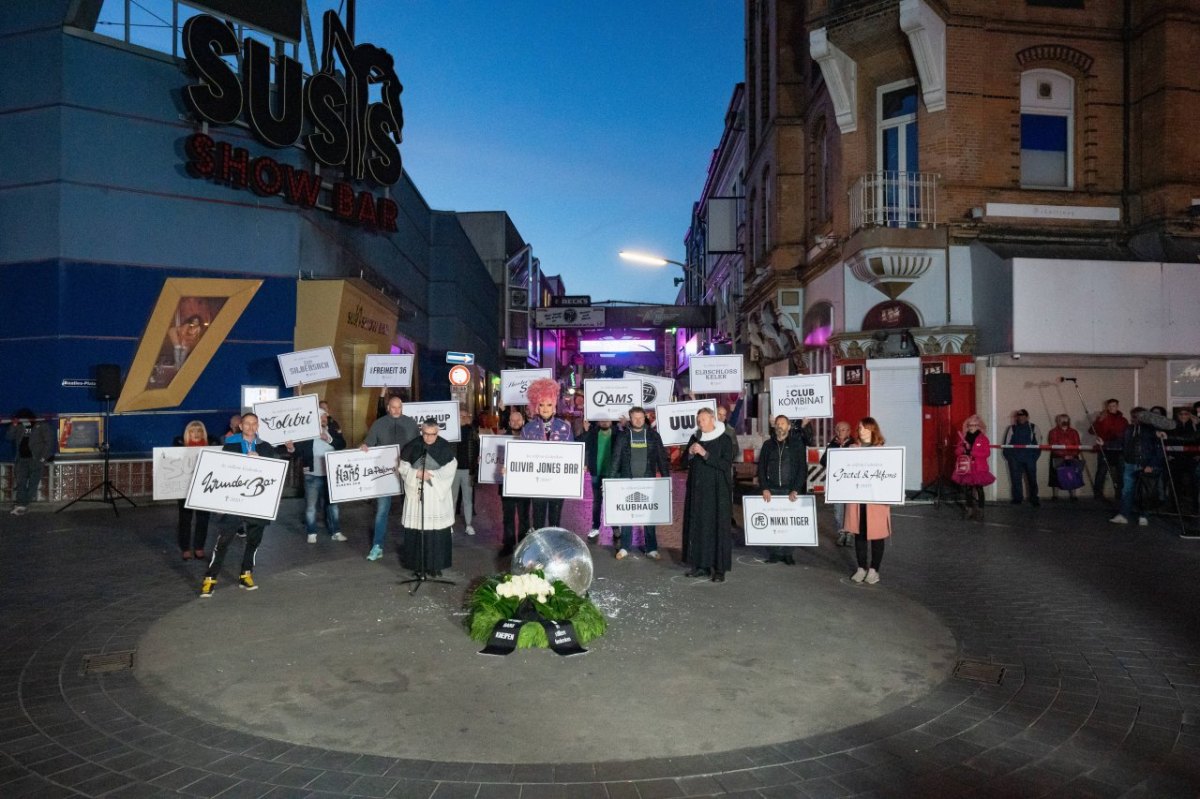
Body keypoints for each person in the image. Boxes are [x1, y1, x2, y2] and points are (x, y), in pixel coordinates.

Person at [200, 413, 281, 597]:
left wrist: (262, 459)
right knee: (223, 541)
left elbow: (275, 469)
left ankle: (246, 574)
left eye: (254, 424)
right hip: (235, 502)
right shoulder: (230, 445)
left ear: (257, 426)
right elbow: (224, 470)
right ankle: (210, 579)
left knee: (254, 540)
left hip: (257, 503)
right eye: (247, 424)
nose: (251, 427)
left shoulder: (266, 447)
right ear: (241, 426)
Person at [360, 395, 418, 561]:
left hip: (406, 473)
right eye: (393, 407)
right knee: (382, 511)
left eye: (399, 407)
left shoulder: (411, 424)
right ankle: (377, 546)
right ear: (388, 408)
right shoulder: (379, 424)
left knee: (411, 510)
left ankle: (412, 546)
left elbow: (417, 446)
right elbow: (369, 442)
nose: (396, 410)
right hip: (385, 474)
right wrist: (365, 446)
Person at [609, 406, 671, 560]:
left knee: (650, 515)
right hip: (627, 480)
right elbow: (616, 458)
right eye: (635, 418)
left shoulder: (653, 436)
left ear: (645, 418)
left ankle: (651, 548)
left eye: (641, 418)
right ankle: (624, 547)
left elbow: (661, 458)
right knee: (626, 515)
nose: (638, 420)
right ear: (630, 419)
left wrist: (666, 478)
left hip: (648, 480)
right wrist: (610, 481)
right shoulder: (623, 436)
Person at [681, 407, 735, 582]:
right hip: (697, 492)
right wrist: (689, 453)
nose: (700, 423)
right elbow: (682, 462)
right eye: (698, 420)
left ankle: (719, 569)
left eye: (703, 420)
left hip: (717, 492)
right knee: (699, 528)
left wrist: (705, 454)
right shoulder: (695, 438)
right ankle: (701, 565)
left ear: (712, 420)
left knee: (717, 529)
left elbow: (725, 464)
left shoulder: (724, 439)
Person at [397, 419, 457, 576]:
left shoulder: (445, 447)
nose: (429, 438)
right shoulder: (413, 445)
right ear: (421, 432)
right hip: (417, 493)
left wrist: (431, 475)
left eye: (433, 434)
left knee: (436, 532)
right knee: (418, 530)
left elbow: (450, 468)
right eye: (426, 434)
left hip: (436, 494)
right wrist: (415, 473)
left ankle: (435, 566)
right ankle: (418, 567)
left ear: (438, 432)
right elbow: (403, 466)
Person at [757, 415, 811, 565]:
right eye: (777, 423)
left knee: (788, 524)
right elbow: (761, 467)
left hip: (789, 490)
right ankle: (774, 552)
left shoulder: (797, 444)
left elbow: (802, 469)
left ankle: (787, 553)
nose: (780, 426)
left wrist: (796, 489)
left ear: (788, 427)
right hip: (772, 489)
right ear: (774, 426)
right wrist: (764, 487)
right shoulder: (768, 445)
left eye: (783, 423)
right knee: (773, 523)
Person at [521, 378, 574, 529]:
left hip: (558, 483)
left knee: (555, 521)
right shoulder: (528, 429)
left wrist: (578, 467)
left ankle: (553, 551)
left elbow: (571, 455)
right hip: (537, 482)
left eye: (549, 404)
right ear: (536, 406)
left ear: (554, 406)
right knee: (537, 520)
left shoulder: (565, 428)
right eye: (542, 405)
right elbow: (521, 456)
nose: (545, 408)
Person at [847, 418, 892, 585]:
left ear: (873, 430)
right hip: (857, 500)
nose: (861, 431)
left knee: (877, 535)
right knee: (859, 533)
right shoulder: (852, 449)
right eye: (859, 428)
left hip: (876, 501)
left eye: (865, 428)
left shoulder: (883, 451)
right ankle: (861, 567)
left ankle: (874, 570)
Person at [292, 408, 346, 544]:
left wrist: (328, 438)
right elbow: (297, 451)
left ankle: (336, 532)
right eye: (320, 417)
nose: (323, 419)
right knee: (311, 506)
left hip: (330, 475)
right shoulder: (307, 434)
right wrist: (290, 448)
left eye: (324, 417)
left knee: (333, 506)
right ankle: (311, 532)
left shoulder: (333, 430)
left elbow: (342, 444)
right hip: (312, 475)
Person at [1110, 407, 1165, 527]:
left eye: (1137, 416)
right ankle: (1123, 515)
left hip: (1145, 465)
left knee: (1144, 492)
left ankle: (1143, 515)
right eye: (1133, 416)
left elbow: (1159, 449)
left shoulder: (1152, 430)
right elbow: (1120, 442)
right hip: (1130, 464)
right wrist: (1104, 443)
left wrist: (1151, 464)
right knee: (1127, 491)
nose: (1134, 418)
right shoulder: (1128, 429)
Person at [173, 420, 217, 558]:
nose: (196, 433)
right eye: (193, 431)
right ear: (188, 433)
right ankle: (185, 547)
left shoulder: (212, 445)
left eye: (199, 431)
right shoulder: (179, 445)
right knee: (185, 519)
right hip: (185, 487)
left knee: (203, 518)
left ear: (203, 432)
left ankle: (199, 547)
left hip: (204, 487)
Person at [498, 407, 531, 557]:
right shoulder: (501, 439)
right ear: (509, 423)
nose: (516, 422)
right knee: (508, 516)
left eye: (518, 420)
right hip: (506, 485)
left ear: (523, 421)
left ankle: (524, 545)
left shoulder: (530, 438)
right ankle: (508, 544)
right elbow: (494, 459)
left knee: (524, 517)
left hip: (524, 485)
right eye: (513, 420)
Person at [7, 409, 54, 515]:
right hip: (21, 459)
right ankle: (21, 504)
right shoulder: (19, 426)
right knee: (20, 482)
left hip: (36, 460)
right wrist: (14, 425)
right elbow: (9, 437)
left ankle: (23, 504)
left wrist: (42, 458)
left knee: (33, 483)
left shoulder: (41, 426)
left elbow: (49, 442)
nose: (23, 422)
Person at [951, 414, 995, 520]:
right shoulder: (964, 437)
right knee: (968, 489)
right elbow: (957, 451)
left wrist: (972, 451)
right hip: (967, 467)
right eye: (970, 424)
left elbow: (987, 453)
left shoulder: (983, 439)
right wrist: (962, 449)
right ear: (967, 425)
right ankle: (969, 509)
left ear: (979, 426)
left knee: (979, 489)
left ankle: (980, 510)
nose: (972, 426)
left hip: (979, 468)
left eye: (975, 424)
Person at [580, 418, 615, 543]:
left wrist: (625, 426)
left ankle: (616, 527)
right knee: (597, 501)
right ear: (598, 422)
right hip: (596, 472)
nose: (605, 422)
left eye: (607, 419)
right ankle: (595, 527)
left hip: (612, 474)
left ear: (611, 421)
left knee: (613, 501)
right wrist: (585, 431)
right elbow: (581, 443)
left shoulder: (618, 434)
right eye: (602, 420)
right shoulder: (593, 433)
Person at [822, 421, 855, 545]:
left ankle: (850, 533)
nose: (840, 432)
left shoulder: (854, 444)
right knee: (838, 509)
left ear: (849, 431)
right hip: (837, 483)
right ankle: (841, 532)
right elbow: (823, 461)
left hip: (851, 482)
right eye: (838, 430)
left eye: (843, 429)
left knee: (851, 509)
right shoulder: (832, 444)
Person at [1090, 398, 1128, 501]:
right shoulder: (1102, 418)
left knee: (1119, 473)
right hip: (1105, 449)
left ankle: (1119, 494)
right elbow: (1092, 431)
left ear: (1117, 406)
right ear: (1107, 407)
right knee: (1101, 472)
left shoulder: (1123, 420)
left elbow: (1125, 434)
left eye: (1114, 406)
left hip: (1118, 449)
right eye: (1110, 406)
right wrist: (1098, 420)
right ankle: (1098, 494)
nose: (1112, 408)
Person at [1001, 409, 1041, 506]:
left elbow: (1038, 444)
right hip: (1015, 458)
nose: (1021, 418)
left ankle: (1034, 499)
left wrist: (1034, 457)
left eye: (1023, 416)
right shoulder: (1012, 428)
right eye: (1019, 416)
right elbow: (1007, 444)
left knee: (1032, 479)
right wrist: (1010, 457)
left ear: (1027, 417)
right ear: (1016, 417)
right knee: (1015, 479)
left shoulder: (1034, 427)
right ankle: (1017, 499)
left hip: (1030, 457)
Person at [451, 408, 479, 536]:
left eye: (464, 415)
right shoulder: (451, 431)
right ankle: (449, 524)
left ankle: (469, 524)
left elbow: (478, 446)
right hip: (453, 470)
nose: (462, 417)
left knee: (468, 499)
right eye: (460, 415)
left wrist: (478, 458)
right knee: (452, 498)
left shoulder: (472, 431)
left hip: (468, 470)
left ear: (468, 416)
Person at [1166, 407, 1198, 516]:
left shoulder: (1194, 426)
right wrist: (1169, 455)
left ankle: (1195, 507)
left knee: (1194, 484)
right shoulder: (1172, 426)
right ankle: (1175, 507)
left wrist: (1198, 455)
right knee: (1175, 483)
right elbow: (1168, 440)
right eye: (1181, 414)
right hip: (1177, 459)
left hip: (1191, 459)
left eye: (1186, 414)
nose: (1183, 416)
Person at [1047, 414, 1082, 501]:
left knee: (1072, 475)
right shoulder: (1053, 432)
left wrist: (1072, 455)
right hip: (1057, 456)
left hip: (1072, 456)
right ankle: (1055, 496)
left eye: (1066, 420)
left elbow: (1078, 445)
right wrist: (1063, 455)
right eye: (1062, 420)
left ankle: (1073, 496)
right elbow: (1053, 445)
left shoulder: (1074, 432)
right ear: (1057, 421)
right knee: (1055, 476)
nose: (1064, 422)